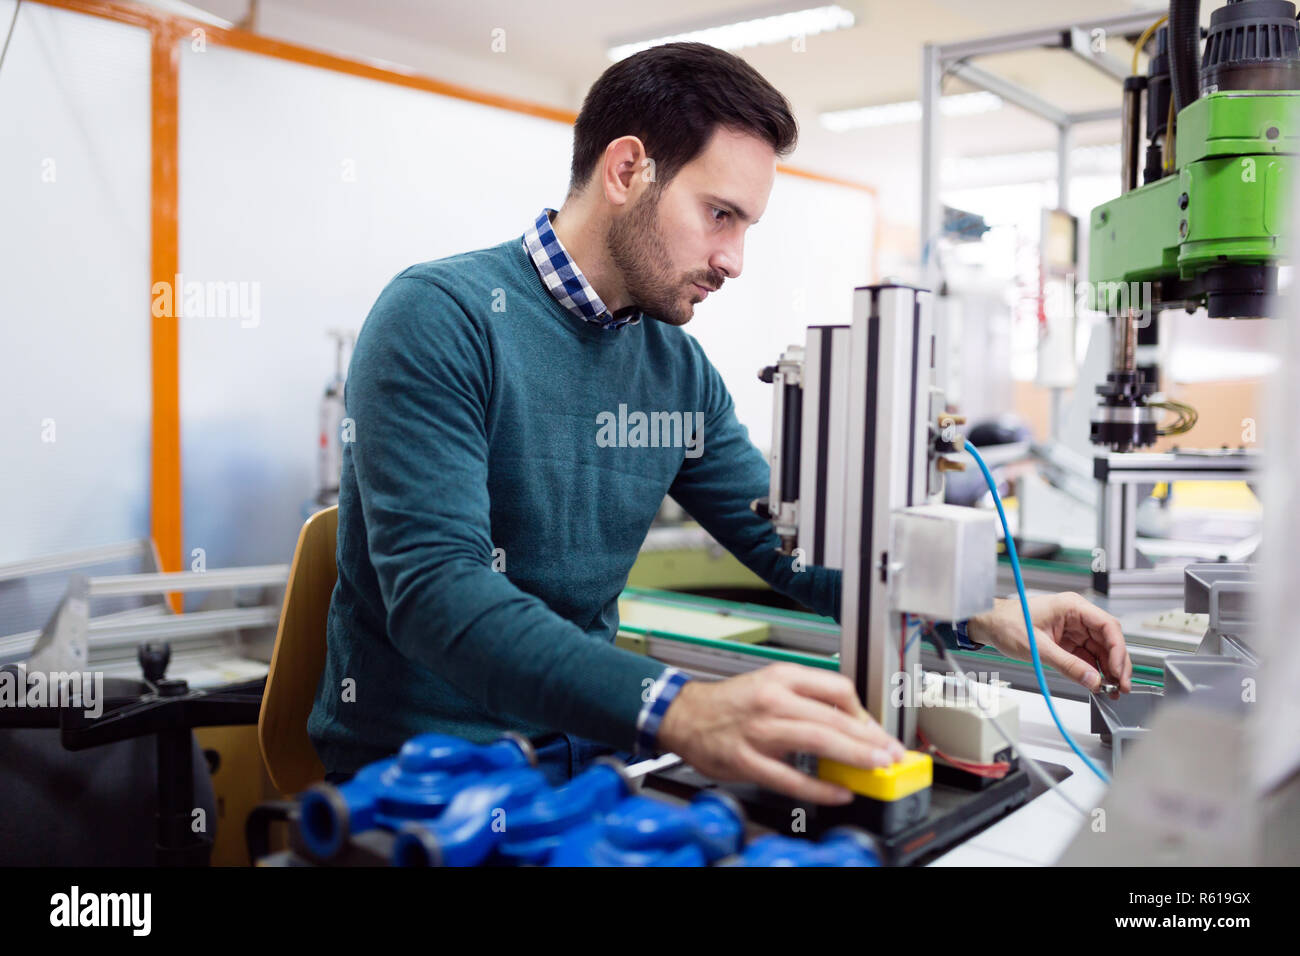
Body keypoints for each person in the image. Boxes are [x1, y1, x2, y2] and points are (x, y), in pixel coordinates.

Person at [306, 42, 1132, 802]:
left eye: (745, 227)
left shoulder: (674, 368)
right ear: (628, 169)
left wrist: (978, 605)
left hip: (591, 762)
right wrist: (681, 709)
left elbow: (792, 542)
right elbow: (440, 594)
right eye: (721, 215)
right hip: (425, 774)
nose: (734, 259)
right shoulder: (442, 318)